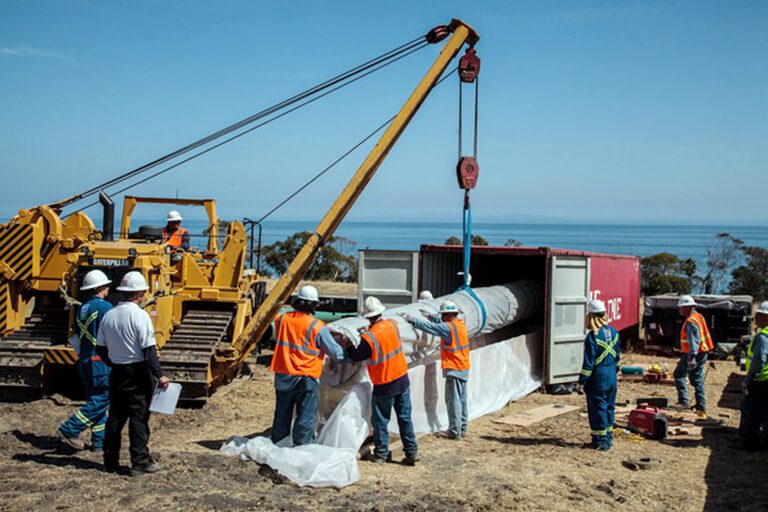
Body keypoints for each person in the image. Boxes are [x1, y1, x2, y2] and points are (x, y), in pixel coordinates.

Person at [96, 271, 169, 476]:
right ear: (140, 293)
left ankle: (110, 461)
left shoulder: (109, 315)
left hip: (117, 372)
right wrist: (160, 375)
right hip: (137, 372)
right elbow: (148, 350)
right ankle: (139, 462)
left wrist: (112, 362)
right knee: (138, 417)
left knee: (116, 417)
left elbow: (100, 347)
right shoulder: (140, 315)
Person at [270, 285, 346, 446]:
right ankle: (302, 449)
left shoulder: (281, 319)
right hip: (306, 378)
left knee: (282, 415)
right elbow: (337, 355)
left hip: (284, 375)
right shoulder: (318, 326)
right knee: (305, 417)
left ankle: (278, 447)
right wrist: (348, 349)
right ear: (314, 305)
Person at [345, 297, 418, 465]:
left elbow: (357, 355)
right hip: (401, 378)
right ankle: (411, 452)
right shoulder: (392, 324)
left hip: (384, 382)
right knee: (405, 417)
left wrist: (349, 344)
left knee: (380, 420)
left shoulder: (370, 337)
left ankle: (381, 454)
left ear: (368, 317)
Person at [57, 270, 113, 451]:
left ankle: (99, 442)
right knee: (104, 397)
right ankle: (70, 428)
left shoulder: (83, 308)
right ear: (102, 288)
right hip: (100, 361)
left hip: (86, 360)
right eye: (106, 286)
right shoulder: (105, 307)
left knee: (94, 400)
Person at [400, 299, 470, 440]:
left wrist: (411, 319)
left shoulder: (448, 328)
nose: (442, 317)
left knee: (453, 400)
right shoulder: (459, 324)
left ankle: (454, 432)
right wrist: (432, 316)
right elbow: (440, 323)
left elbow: (429, 327)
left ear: (448, 315)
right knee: (461, 399)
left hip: (454, 367)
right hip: (463, 366)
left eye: (443, 315)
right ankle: (462, 427)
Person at [576, 299, 620, 451]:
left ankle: (601, 442)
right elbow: (618, 360)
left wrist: (581, 381)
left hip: (598, 378)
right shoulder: (614, 332)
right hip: (612, 377)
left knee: (598, 409)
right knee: (609, 407)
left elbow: (588, 364)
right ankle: (608, 437)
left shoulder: (592, 337)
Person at [673, 295, 714, 417]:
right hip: (702, 353)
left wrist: (691, 358)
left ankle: (684, 402)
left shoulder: (691, 322)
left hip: (694, 354)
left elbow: (693, 342)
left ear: (687, 307)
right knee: (696, 378)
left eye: (681, 307)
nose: (679, 309)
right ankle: (700, 405)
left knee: (679, 375)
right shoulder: (698, 316)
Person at [739, 301, 768, 451]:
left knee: (751, 411)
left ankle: (749, 442)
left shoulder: (763, 336)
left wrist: (750, 377)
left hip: (760, 380)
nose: (756, 318)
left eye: (760, 315)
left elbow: (760, 359)